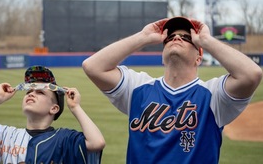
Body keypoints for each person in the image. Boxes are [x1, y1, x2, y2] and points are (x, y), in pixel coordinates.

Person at [82, 16, 262, 163]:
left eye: (187, 38)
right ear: (162, 56)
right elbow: (92, 66)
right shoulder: (138, 88)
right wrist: (142, 37)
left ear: (199, 58)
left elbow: (251, 74)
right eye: (170, 37)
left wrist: (206, 41)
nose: (176, 38)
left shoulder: (213, 95)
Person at [0, 65, 105, 164]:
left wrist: (75, 107)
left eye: (40, 92)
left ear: (54, 108)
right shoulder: (3, 135)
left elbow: (97, 142)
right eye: (29, 91)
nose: (31, 93)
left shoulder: (64, 139)